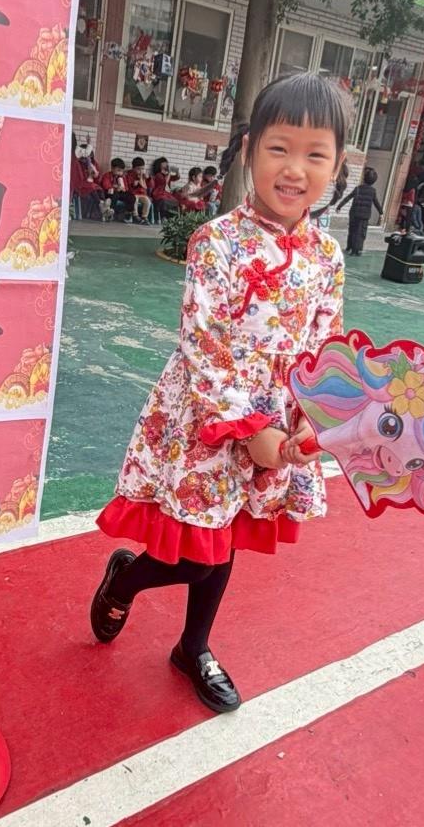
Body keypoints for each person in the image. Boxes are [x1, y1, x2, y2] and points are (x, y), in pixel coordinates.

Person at [89, 72, 351, 714]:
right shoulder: (217, 243)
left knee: (227, 537)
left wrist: (317, 417)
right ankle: (127, 577)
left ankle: (193, 646)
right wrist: (250, 428)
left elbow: (327, 345)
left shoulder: (328, 256)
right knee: (199, 551)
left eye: (315, 154)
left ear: (338, 165)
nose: (295, 169)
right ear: (250, 149)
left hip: (280, 424)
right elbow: (204, 344)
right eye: (279, 148)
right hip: (210, 419)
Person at [336, 166, 381, 256]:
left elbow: (348, 197)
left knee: (352, 230)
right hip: (364, 215)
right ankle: (356, 250)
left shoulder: (358, 188)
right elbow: (376, 203)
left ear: (364, 179)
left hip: (354, 213)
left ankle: (349, 247)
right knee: (360, 233)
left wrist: (339, 206)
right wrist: (381, 213)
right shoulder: (372, 191)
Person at [70, 133, 104, 219]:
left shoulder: (93, 163)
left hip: (91, 185)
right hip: (82, 184)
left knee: (99, 190)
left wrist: (94, 175)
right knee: (91, 190)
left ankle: (103, 208)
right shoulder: (77, 162)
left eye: (89, 156)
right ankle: (101, 207)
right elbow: (79, 179)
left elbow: (98, 179)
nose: (86, 158)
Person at [100, 158, 136, 223]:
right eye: (118, 170)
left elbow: (126, 188)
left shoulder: (122, 177)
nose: (120, 172)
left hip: (120, 193)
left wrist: (123, 189)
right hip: (110, 192)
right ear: (112, 168)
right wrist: (115, 187)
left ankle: (127, 214)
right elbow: (106, 186)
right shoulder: (107, 175)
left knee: (131, 196)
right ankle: (110, 213)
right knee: (115, 194)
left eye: (121, 171)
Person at [126, 157, 152, 225]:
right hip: (134, 193)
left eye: (142, 169)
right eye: (138, 169)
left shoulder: (144, 176)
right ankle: (135, 216)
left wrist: (148, 179)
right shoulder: (129, 175)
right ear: (133, 168)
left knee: (148, 201)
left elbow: (150, 186)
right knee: (135, 200)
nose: (141, 171)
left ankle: (144, 217)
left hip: (142, 194)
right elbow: (129, 187)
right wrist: (134, 184)